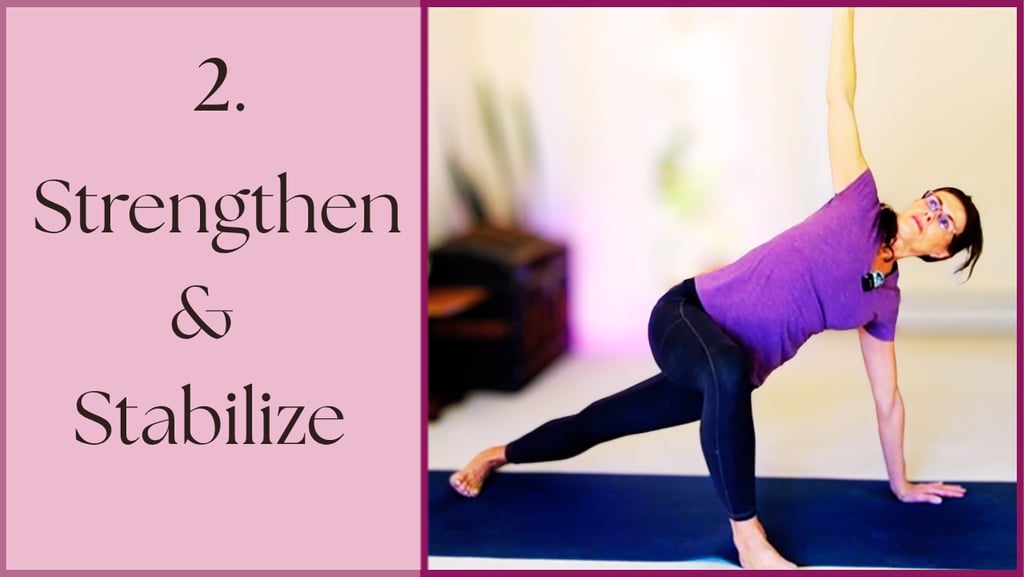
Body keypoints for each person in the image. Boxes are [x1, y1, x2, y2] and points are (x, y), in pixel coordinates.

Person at [447, 7, 984, 570]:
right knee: (725, 370)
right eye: (933, 200)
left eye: (945, 221)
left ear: (942, 252)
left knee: (601, 421)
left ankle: (496, 455)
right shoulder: (857, 202)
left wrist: (900, 483)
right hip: (686, 315)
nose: (931, 213)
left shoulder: (883, 299)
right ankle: (749, 540)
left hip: (726, 372)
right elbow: (839, 97)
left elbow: (887, 400)